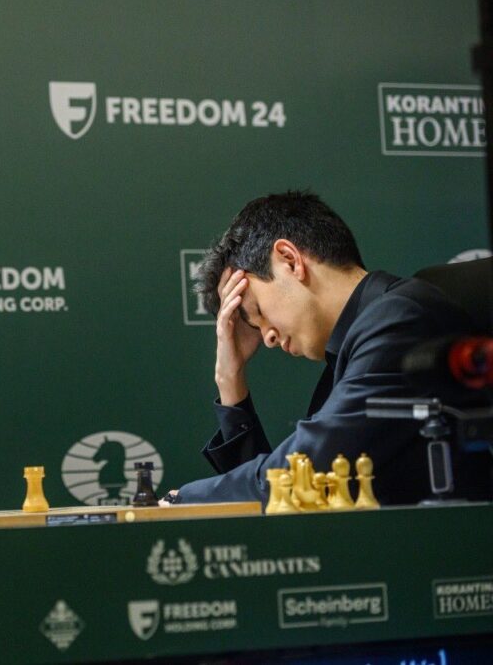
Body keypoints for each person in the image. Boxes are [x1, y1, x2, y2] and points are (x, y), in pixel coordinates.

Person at [169, 191, 487, 506]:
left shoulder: (400, 320)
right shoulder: (350, 349)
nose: (267, 338)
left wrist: (183, 499)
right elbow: (288, 499)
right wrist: (230, 379)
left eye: (258, 312)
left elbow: (310, 470)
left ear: (290, 260)